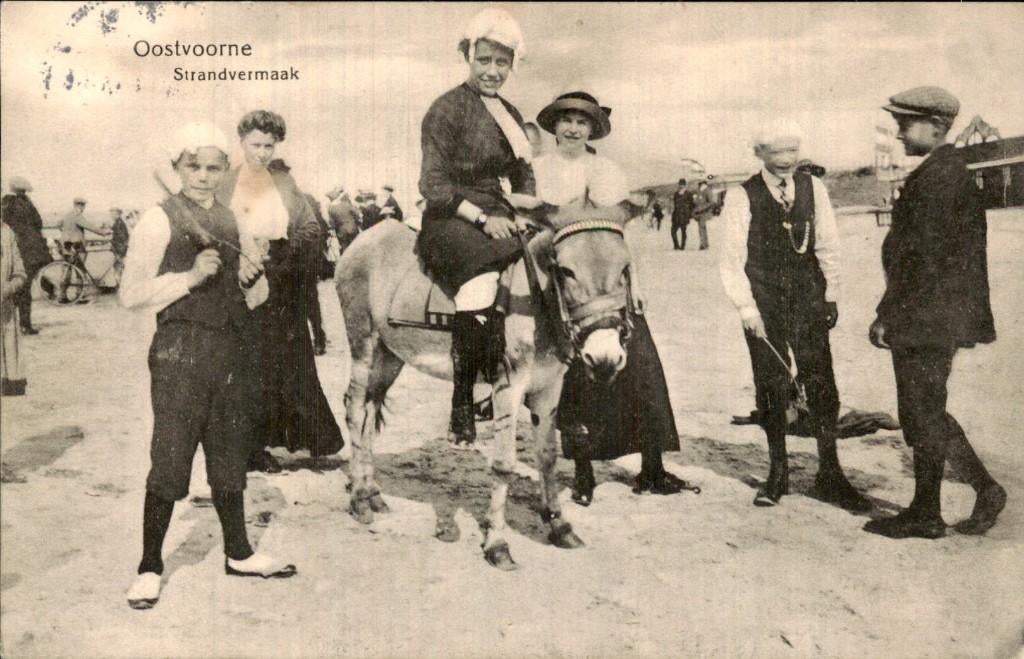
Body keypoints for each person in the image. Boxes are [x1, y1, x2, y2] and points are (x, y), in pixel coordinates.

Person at [121, 123, 296, 610]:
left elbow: (253, 295)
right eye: (193, 166)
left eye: (213, 167)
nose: (203, 175)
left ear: (225, 170)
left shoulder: (230, 218)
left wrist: (251, 277)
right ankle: (150, 567)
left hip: (232, 351)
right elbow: (130, 295)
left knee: (229, 456)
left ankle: (238, 553)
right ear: (176, 167)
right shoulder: (158, 219)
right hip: (180, 352)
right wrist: (190, 277)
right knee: (171, 459)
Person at [532, 90, 691, 503]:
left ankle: (652, 467)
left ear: (592, 130)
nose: (572, 128)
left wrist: (634, 285)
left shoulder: (606, 170)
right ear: (554, 126)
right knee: (575, 380)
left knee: (641, 369)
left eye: (581, 122)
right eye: (565, 120)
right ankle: (584, 474)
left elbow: (621, 238)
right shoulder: (538, 170)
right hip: (566, 285)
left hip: (610, 285)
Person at [865, 87, 1005, 539]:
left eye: (906, 124)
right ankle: (980, 492)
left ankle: (931, 512)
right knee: (926, 410)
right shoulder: (941, 171)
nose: (900, 132)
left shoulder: (942, 177)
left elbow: (921, 260)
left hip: (926, 315)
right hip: (931, 312)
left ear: (937, 128)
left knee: (922, 411)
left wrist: (887, 313)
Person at [718, 119, 869, 511]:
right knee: (771, 385)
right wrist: (746, 308)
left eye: (792, 150)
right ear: (759, 154)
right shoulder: (741, 195)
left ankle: (830, 473)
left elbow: (828, 242)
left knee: (821, 381)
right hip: (764, 303)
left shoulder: (812, 187)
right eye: (777, 151)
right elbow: (731, 260)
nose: (787, 159)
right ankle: (778, 472)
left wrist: (831, 293)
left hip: (808, 300)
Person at [417, 8, 535, 446]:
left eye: (501, 63)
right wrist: (485, 219)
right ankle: (464, 399)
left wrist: (523, 211)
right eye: (484, 60)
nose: (492, 71)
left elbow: (523, 173)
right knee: (482, 281)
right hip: (451, 218)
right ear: (468, 56)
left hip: (502, 212)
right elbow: (433, 184)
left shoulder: (508, 112)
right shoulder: (444, 110)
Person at [217, 110, 343, 472]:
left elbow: (310, 227)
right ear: (241, 143)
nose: (262, 153)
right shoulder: (224, 183)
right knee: (244, 367)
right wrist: (238, 257)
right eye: (255, 145)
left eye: (269, 146)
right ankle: (250, 449)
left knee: (286, 363)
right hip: (237, 282)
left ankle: (299, 439)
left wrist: (283, 256)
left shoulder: (284, 183)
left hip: (280, 283)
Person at [1, 177, 50, 334]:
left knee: (18, 287)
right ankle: (24, 324)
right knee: (24, 287)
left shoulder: (8, 203)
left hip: (19, 249)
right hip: (32, 251)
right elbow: (39, 222)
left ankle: (20, 323)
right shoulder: (28, 203)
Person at [1, 223, 28, 396]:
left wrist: (9, 287)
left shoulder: (6, 232)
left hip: (5, 304)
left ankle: (9, 379)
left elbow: (20, 272)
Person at [301, 190, 329, 353]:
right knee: (311, 302)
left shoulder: (302, 201)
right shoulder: (309, 200)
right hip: (307, 263)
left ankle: (317, 340)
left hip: (302, 263)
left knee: (307, 302)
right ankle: (319, 340)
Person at [327, 186, 361, 256]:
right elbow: (358, 214)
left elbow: (332, 223)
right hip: (352, 228)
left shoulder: (330, 208)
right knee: (355, 247)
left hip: (341, 231)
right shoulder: (346, 204)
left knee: (344, 248)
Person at [670, 178, 693, 251]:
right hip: (676, 216)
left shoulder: (688, 194)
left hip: (684, 215)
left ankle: (682, 246)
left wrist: (689, 214)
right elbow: (675, 204)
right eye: (680, 184)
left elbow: (692, 205)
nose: (681, 186)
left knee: (683, 231)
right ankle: (676, 245)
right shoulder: (676, 194)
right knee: (673, 231)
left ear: (685, 185)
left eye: (682, 185)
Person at [693, 178, 715, 250]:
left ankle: (704, 244)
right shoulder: (699, 191)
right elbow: (698, 202)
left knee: (702, 228)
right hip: (700, 213)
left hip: (706, 213)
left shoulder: (707, 190)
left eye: (700, 183)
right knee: (701, 228)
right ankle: (704, 244)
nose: (699, 184)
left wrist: (701, 208)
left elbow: (711, 202)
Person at [110, 207, 130, 279]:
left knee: (118, 266)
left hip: (120, 249)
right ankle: (118, 282)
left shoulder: (119, 223)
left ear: (118, 214)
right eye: (111, 214)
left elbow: (122, 237)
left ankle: (119, 283)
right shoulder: (118, 222)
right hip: (120, 248)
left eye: (113, 214)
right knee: (118, 266)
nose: (111, 215)